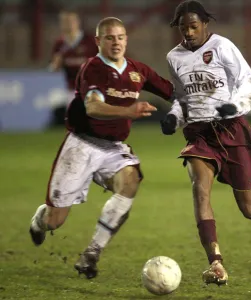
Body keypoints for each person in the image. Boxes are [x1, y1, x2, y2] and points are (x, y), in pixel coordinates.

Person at [160, 0, 251, 286]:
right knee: (200, 191)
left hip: (232, 132)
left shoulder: (222, 47)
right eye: (183, 28)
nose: (188, 32)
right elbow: (181, 96)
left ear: (205, 24)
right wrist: (173, 116)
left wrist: (231, 107)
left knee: (250, 209)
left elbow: (248, 84)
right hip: (199, 135)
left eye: (193, 26)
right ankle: (216, 264)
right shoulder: (174, 57)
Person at [29, 17, 174, 279]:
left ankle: (92, 253)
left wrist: (204, 99)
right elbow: (93, 107)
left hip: (113, 148)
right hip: (81, 146)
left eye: (120, 37)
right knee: (55, 221)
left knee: (130, 181)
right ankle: (40, 220)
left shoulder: (137, 70)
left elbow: (172, 92)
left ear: (126, 39)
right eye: (109, 37)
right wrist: (128, 109)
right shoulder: (92, 68)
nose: (116, 42)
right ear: (98, 41)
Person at [49, 9, 98, 125]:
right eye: (64, 21)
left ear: (77, 22)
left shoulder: (90, 41)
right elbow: (53, 68)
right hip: (72, 90)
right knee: (75, 123)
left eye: (70, 21)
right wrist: (55, 64)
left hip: (92, 89)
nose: (68, 24)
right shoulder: (60, 44)